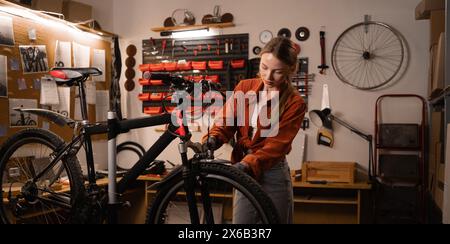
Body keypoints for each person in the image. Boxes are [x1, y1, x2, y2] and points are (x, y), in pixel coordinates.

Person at [202, 37, 306, 224]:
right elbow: (226, 120)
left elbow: (277, 145)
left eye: (277, 72)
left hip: (273, 172)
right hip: (244, 170)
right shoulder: (245, 87)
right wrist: (215, 138)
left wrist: (246, 164)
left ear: (290, 70)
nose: (268, 77)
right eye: (264, 68)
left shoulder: (294, 103)